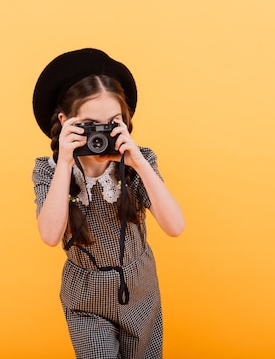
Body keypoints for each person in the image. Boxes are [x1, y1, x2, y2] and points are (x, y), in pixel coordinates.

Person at [31, 48, 185, 359]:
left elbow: (175, 227)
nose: (100, 136)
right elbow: (49, 236)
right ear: (65, 122)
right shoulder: (49, 171)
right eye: (90, 125)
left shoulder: (135, 165)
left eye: (112, 124)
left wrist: (139, 163)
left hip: (140, 287)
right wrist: (64, 162)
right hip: (86, 296)